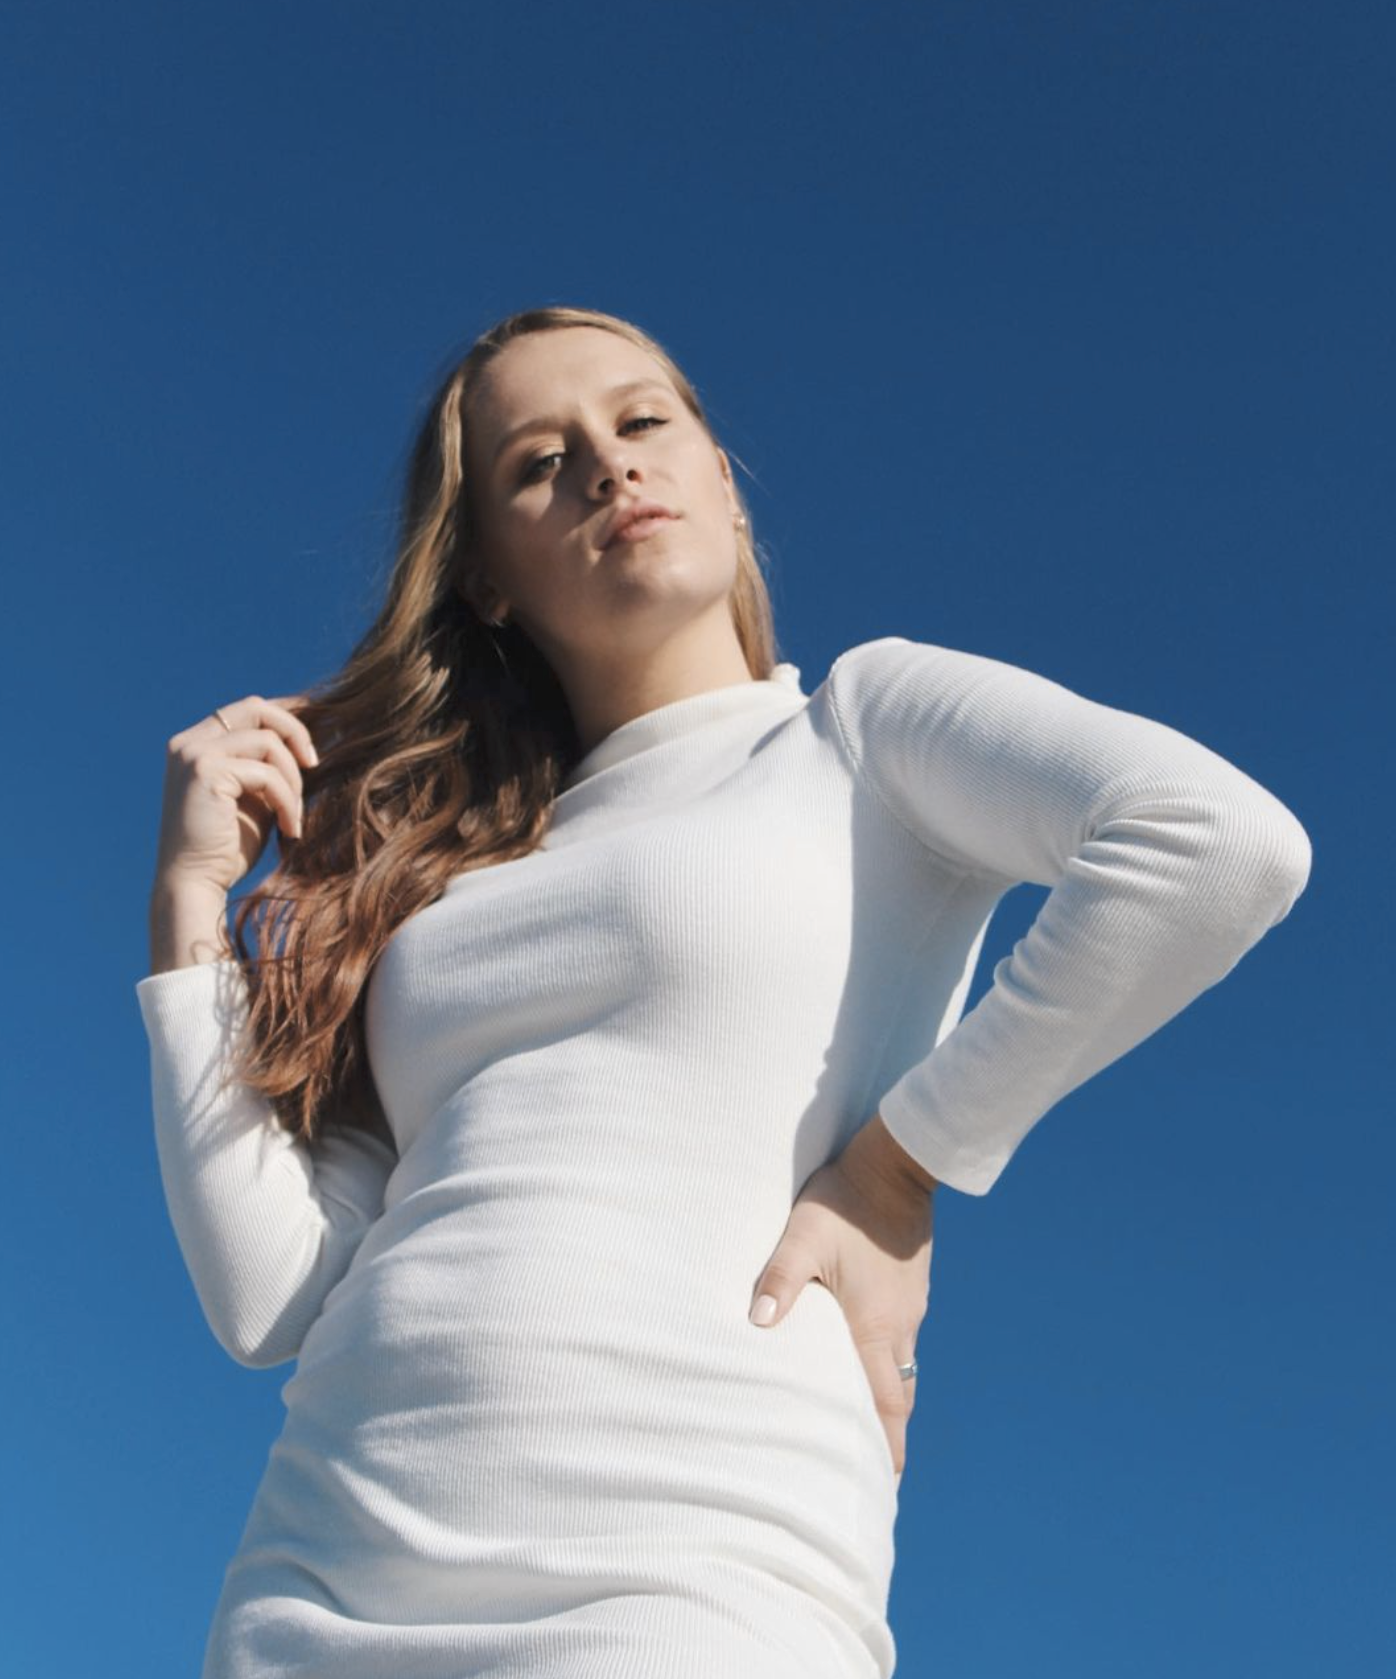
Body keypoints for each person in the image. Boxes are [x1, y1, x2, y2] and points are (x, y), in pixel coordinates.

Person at [137, 304, 1313, 1679]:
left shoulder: (851, 731)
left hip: (694, 1572)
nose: (608, 465)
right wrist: (188, 907)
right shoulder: (426, 895)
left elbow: (1216, 845)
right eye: (539, 463)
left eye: (643, 421)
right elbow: (273, 1299)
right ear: (488, 580)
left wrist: (902, 1168)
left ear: (725, 484)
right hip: (322, 1584)